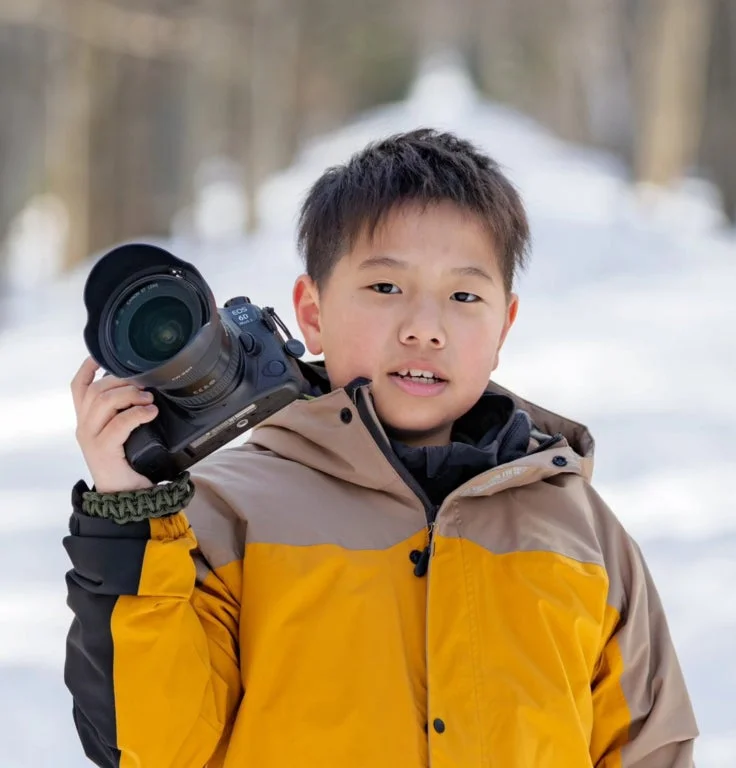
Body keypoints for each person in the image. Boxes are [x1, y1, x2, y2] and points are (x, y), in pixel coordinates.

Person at [64, 128, 698, 767]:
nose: (425, 328)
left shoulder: (580, 534)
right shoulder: (224, 517)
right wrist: (129, 517)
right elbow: (158, 747)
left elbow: (649, 748)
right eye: (386, 288)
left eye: (464, 296)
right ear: (311, 312)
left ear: (504, 323)